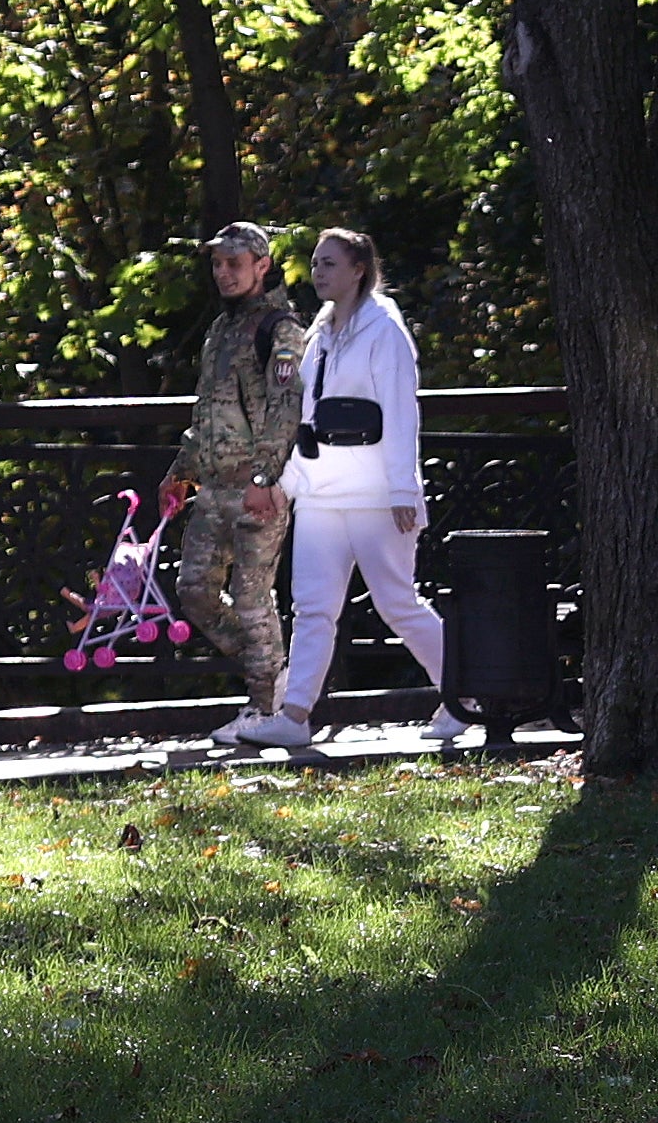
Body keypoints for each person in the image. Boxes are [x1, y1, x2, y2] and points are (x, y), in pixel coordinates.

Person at [235, 227, 461, 749]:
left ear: (359, 270)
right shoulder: (318, 333)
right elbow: (304, 419)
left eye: (330, 263)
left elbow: (403, 411)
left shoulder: (385, 330)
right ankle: (294, 715)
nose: (319, 272)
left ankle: (464, 692)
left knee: (397, 603)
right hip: (322, 493)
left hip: (375, 495)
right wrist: (285, 484)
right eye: (316, 263)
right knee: (312, 606)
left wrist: (404, 492)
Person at [160, 222, 308, 746]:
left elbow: (286, 407)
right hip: (215, 486)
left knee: (251, 598)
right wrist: (182, 470)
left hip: (256, 486)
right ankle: (274, 675)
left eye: (234, 263)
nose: (223, 273)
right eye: (218, 264)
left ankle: (267, 706)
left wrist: (267, 477)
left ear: (261, 266)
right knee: (193, 591)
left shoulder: (281, 328)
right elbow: (206, 411)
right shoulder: (221, 329)